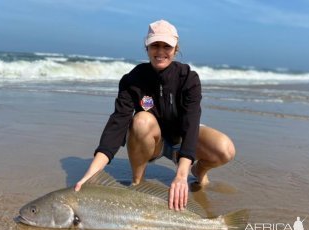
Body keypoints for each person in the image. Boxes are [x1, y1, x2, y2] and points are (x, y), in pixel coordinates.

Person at [74, 20, 235, 211]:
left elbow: (192, 124)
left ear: (176, 49)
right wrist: (91, 174)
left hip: (182, 138)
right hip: (153, 141)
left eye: (167, 46)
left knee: (225, 149)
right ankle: (137, 183)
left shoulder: (189, 79)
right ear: (147, 47)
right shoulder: (132, 80)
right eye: (155, 45)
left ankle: (198, 170)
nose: (160, 52)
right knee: (141, 120)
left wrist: (181, 176)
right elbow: (117, 123)